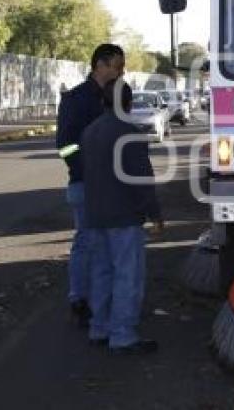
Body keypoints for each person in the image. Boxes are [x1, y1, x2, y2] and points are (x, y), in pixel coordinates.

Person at [82, 79, 162, 354]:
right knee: (127, 276)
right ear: (128, 103)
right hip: (124, 217)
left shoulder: (89, 132)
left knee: (101, 273)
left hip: (95, 215)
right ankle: (123, 335)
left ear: (103, 102)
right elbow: (141, 179)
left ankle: (99, 328)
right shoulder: (129, 132)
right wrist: (154, 213)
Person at [56, 43, 125, 326]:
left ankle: (101, 299)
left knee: (106, 245)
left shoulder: (116, 97)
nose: (122, 71)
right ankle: (79, 299)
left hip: (112, 186)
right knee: (85, 242)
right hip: (85, 185)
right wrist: (86, 170)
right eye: (117, 66)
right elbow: (64, 146)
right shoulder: (76, 99)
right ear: (100, 65)